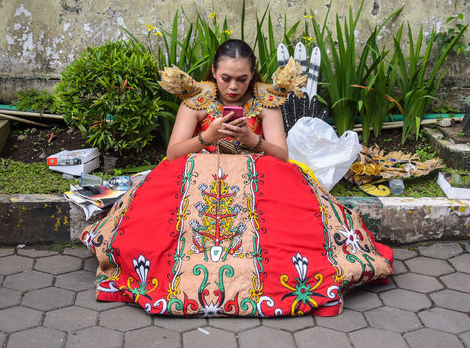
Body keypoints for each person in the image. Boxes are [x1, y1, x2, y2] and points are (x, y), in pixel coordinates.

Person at [81, 39, 393, 317]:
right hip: (201, 178)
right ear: (213, 73)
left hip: (256, 177)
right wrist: (207, 136)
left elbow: (281, 155)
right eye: (226, 78)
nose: (233, 86)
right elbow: (174, 153)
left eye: (242, 79)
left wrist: (250, 139)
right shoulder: (196, 99)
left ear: (253, 74)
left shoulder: (265, 100)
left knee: (292, 212)